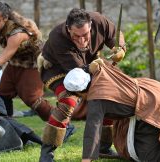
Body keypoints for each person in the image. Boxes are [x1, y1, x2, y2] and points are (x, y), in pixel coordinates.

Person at [63, 61, 160, 162]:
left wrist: (86, 160)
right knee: (128, 150)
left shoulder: (96, 99)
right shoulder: (98, 70)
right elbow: (90, 65)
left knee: (149, 158)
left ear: (81, 91)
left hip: (152, 102)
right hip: (151, 89)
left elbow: (91, 132)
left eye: (78, 95)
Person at [37, 8, 126, 161]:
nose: (82, 40)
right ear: (67, 28)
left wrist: (120, 49)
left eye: (85, 35)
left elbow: (115, 36)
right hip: (58, 70)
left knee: (108, 94)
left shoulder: (99, 21)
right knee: (67, 101)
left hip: (89, 65)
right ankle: (46, 155)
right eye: (75, 36)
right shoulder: (57, 37)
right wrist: (90, 69)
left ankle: (104, 147)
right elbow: (77, 75)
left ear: (91, 25)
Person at [0, 2, 53, 121]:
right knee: (2, 95)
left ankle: (63, 124)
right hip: (15, 64)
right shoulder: (1, 27)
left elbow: (0, 61)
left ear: (5, 18)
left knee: (32, 99)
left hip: (33, 65)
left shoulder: (17, 34)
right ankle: (10, 127)